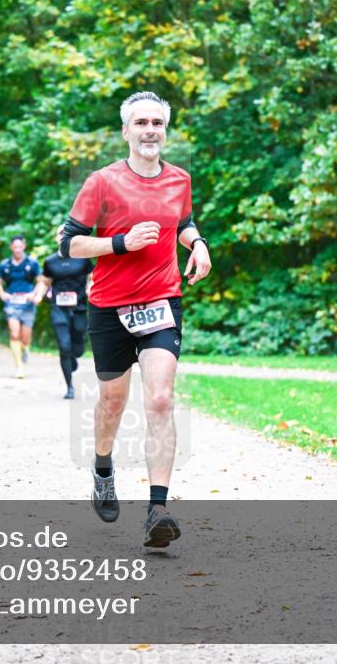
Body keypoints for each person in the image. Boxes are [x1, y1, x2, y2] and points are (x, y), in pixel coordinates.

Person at [60, 91, 212, 547]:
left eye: (157, 123)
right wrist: (121, 243)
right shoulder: (102, 182)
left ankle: (157, 509)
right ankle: (103, 468)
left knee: (161, 400)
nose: (150, 130)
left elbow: (180, 222)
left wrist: (198, 243)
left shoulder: (179, 180)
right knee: (112, 402)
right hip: (109, 305)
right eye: (141, 123)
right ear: (126, 131)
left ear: (165, 130)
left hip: (163, 300)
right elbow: (68, 245)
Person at [40, 226, 93, 399]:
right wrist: (41, 294)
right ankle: (70, 386)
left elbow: (92, 278)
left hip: (79, 307)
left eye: (66, 233)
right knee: (64, 346)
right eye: (60, 233)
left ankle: (73, 357)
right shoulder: (50, 261)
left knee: (77, 346)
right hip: (58, 308)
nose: (63, 236)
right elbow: (46, 282)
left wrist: (89, 288)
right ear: (56, 238)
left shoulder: (83, 259)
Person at [0, 235, 44, 379]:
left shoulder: (32, 263)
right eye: (14, 247)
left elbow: (40, 282)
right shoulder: (5, 264)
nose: (17, 249)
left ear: (24, 246)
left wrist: (35, 294)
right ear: (11, 247)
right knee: (15, 334)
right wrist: (2, 293)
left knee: (25, 336)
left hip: (28, 303)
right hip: (12, 303)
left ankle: (26, 348)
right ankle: (19, 368)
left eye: (19, 246)